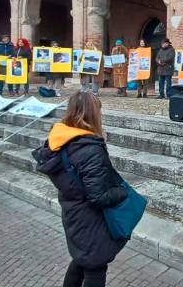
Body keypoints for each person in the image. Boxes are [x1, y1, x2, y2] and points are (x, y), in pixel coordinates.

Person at [32, 92, 129, 287]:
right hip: (90, 217)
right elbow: (98, 196)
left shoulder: (62, 138)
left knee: (81, 259)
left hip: (73, 209)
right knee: (95, 266)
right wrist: (122, 192)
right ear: (93, 114)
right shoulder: (89, 148)